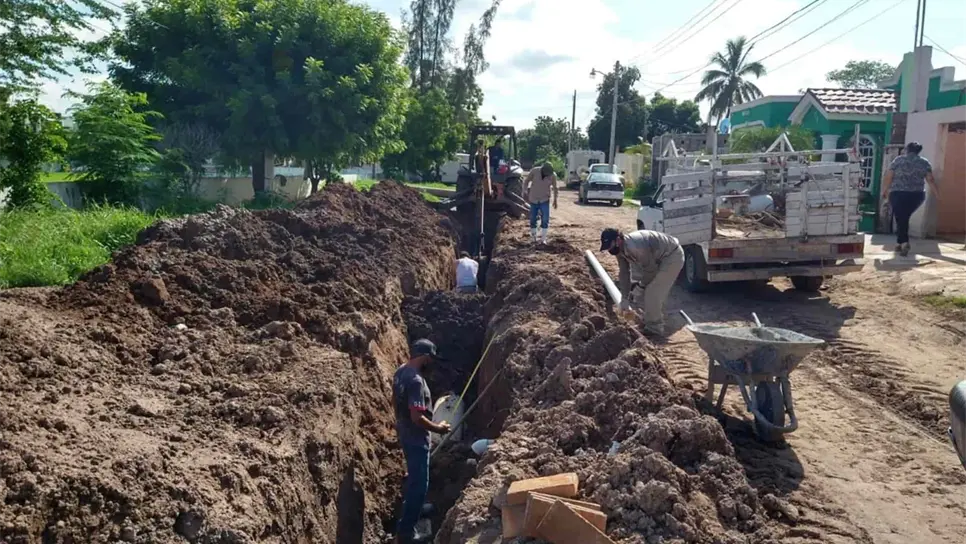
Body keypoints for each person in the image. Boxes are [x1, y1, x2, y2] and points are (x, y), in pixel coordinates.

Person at [392, 339, 450, 544]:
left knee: (415, 477)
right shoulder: (416, 380)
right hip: (416, 438)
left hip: (405, 433)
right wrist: (439, 429)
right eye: (430, 359)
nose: (431, 364)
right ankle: (406, 534)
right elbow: (417, 417)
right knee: (419, 486)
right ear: (425, 357)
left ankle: (415, 509)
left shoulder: (401, 371)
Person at [600, 228, 684, 337]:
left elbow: (650, 271)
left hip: (672, 256)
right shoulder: (619, 249)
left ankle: (655, 328)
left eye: (610, 246)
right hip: (655, 257)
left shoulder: (635, 246)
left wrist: (640, 287)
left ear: (618, 240)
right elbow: (624, 272)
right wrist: (624, 298)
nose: (609, 250)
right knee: (644, 288)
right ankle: (651, 316)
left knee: (652, 291)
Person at [882, 141, 939, 257]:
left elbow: (889, 175)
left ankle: (904, 243)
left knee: (901, 216)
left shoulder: (898, 160)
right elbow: (930, 179)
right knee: (903, 216)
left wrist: (885, 190)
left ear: (907, 149)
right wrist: (937, 194)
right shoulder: (924, 162)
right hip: (916, 195)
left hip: (898, 193)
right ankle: (899, 243)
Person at [524, 162, 559, 244]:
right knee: (532, 218)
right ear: (543, 170)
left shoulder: (553, 175)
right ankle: (533, 237)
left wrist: (555, 200)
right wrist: (524, 191)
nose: (548, 175)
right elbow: (526, 181)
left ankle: (543, 239)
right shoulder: (534, 171)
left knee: (545, 219)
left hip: (544, 199)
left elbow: (555, 187)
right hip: (533, 199)